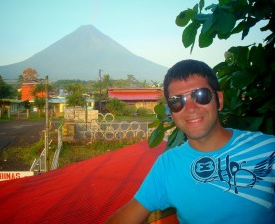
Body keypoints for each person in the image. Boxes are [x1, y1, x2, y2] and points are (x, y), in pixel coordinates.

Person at [104, 59, 275, 224]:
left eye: (201, 95)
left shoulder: (267, 149)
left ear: (219, 100)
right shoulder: (167, 165)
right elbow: (126, 215)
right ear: (171, 112)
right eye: (177, 102)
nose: (190, 109)